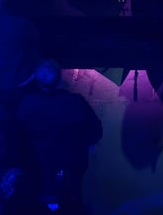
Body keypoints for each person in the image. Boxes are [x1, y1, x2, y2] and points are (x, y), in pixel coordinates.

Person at [15, 59, 103, 212]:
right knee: (72, 202)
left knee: (43, 205)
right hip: (72, 165)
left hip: (39, 167)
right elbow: (95, 132)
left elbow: (16, 136)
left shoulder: (27, 103)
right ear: (59, 79)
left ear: (36, 78)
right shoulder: (76, 102)